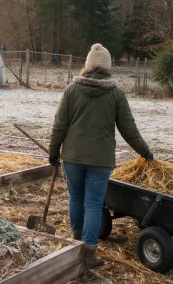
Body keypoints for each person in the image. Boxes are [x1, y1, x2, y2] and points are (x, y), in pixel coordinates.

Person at [48, 43, 153, 269]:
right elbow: (129, 129)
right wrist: (145, 152)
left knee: (75, 198)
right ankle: (88, 253)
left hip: (73, 157)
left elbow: (59, 126)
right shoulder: (115, 94)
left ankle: (75, 242)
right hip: (100, 160)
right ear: (108, 67)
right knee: (94, 204)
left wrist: (53, 153)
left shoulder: (71, 90)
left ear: (87, 66)